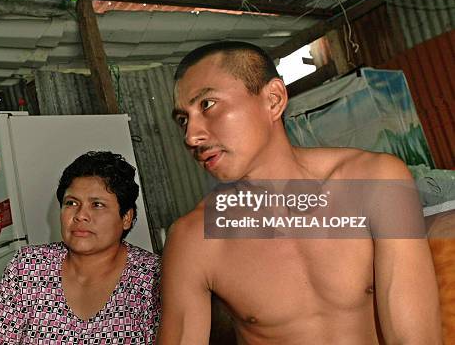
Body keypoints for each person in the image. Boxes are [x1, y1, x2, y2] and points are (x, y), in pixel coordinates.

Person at [158, 41, 442, 344]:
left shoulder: (375, 182)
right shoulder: (192, 239)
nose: (191, 137)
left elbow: (414, 339)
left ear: (273, 99)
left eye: (207, 105)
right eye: (183, 120)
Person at [0, 151, 161, 344]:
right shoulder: (29, 267)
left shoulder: (153, 278)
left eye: (97, 204)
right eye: (71, 203)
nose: (80, 215)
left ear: (126, 218)